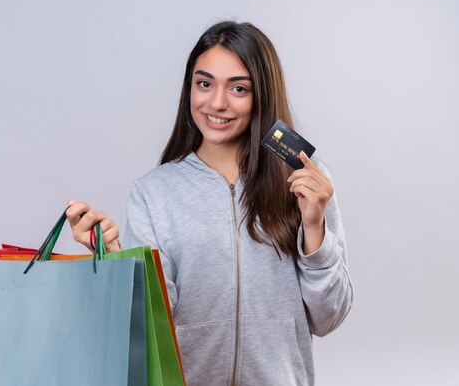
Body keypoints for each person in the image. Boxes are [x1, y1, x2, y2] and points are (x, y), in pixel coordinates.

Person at [65, 21, 353, 386]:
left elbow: (328, 318)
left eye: (238, 88)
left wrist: (314, 228)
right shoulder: (154, 192)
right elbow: (150, 325)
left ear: (262, 95)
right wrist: (114, 256)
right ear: (190, 88)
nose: (217, 103)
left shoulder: (303, 181)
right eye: (204, 84)